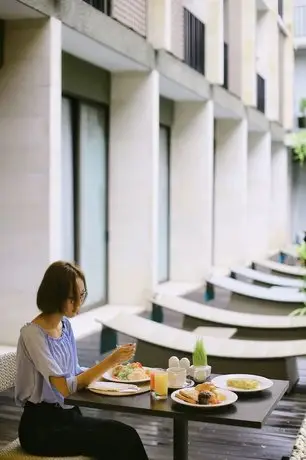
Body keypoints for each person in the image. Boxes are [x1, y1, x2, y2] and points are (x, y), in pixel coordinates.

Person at [15, 261, 149, 460]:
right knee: (121, 440)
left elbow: (75, 371)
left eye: (82, 295)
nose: (79, 304)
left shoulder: (65, 326)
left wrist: (115, 375)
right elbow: (64, 388)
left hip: (69, 416)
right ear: (55, 296)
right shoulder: (33, 335)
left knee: (125, 435)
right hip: (41, 428)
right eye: (72, 298)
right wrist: (109, 362)